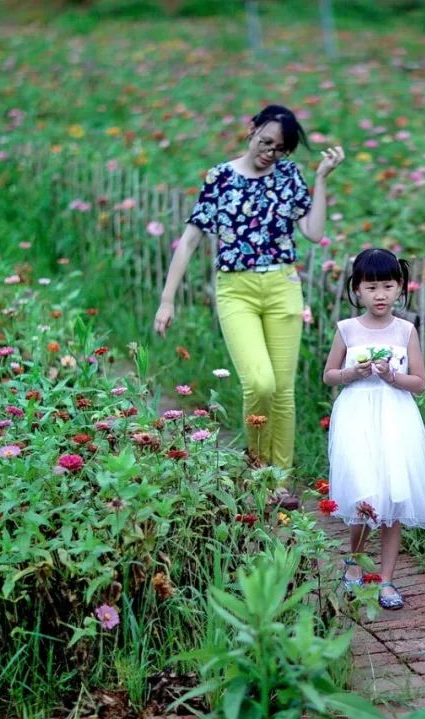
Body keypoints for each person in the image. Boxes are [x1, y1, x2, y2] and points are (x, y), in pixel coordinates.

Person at [153, 105, 344, 480]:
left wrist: (321, 179)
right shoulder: (221, 177)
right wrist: (167, 300)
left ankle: (278, 479)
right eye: (266, 142)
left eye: (280, 149)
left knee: (283, 390)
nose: (270, 153)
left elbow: (313, 232)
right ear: (252, 130)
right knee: (259, 382)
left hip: (282, 286)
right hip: (236, 290)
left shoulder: (288, 175)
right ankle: (257, 468)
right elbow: (189, 241)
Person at [322, 248, 425, 610]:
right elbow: (328, 375)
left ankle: (386, 579)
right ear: (357, 289)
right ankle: (355, 559)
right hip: (357, 414)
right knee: (363, 492)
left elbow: (419, 382)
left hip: (396, 417)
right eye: (371, 288)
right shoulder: (348, 329)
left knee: (395, 494)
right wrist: (351, 373)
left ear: (400, 287)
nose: (380, 295)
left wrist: (392, 376)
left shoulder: (405, 331)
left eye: (387, 286)